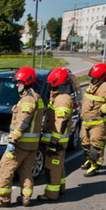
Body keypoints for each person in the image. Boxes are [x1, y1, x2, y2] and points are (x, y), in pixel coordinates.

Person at [0, 67, 44, 208]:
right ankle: (26, 198)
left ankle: (3, 199)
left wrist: (13, 140)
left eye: (19, 82)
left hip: (21, 144)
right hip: (32, 145)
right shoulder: (37, 97)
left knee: (4, 169)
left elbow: (24, 121)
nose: (17, 85)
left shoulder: (28, 99)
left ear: (27, 82)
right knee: (25, 171)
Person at [38, 67, 73, 202]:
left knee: (52, 167)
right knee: (59, 166)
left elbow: (61, 122)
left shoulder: (62, 99)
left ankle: (51, 194)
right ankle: (61, 187)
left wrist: (53, 142)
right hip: (58, 141)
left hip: (56, 142)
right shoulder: (60, 97)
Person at [80, 63, 106, 176]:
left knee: (96, 145)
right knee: (85, 143)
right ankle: (89, 160)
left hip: (99, 123)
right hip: (87, 121)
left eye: (94, 77)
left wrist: (104, 109)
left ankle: (95, 166)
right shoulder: (92, 85)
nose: (92, 79)